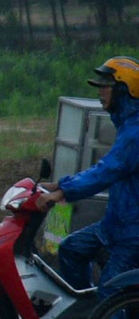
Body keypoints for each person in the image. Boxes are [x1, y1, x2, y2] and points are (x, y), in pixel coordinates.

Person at [41, 57, 139, 293]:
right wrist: (59, 185)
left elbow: (107, 170)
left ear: (125, 89)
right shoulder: (127, 125)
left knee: (109, 293)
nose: (100, 91)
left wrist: (64, 191)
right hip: (115, 226)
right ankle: (88, 314)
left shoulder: (135, 133)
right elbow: (103, 168)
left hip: (133, 235)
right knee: (71, 249)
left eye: (106, 85)